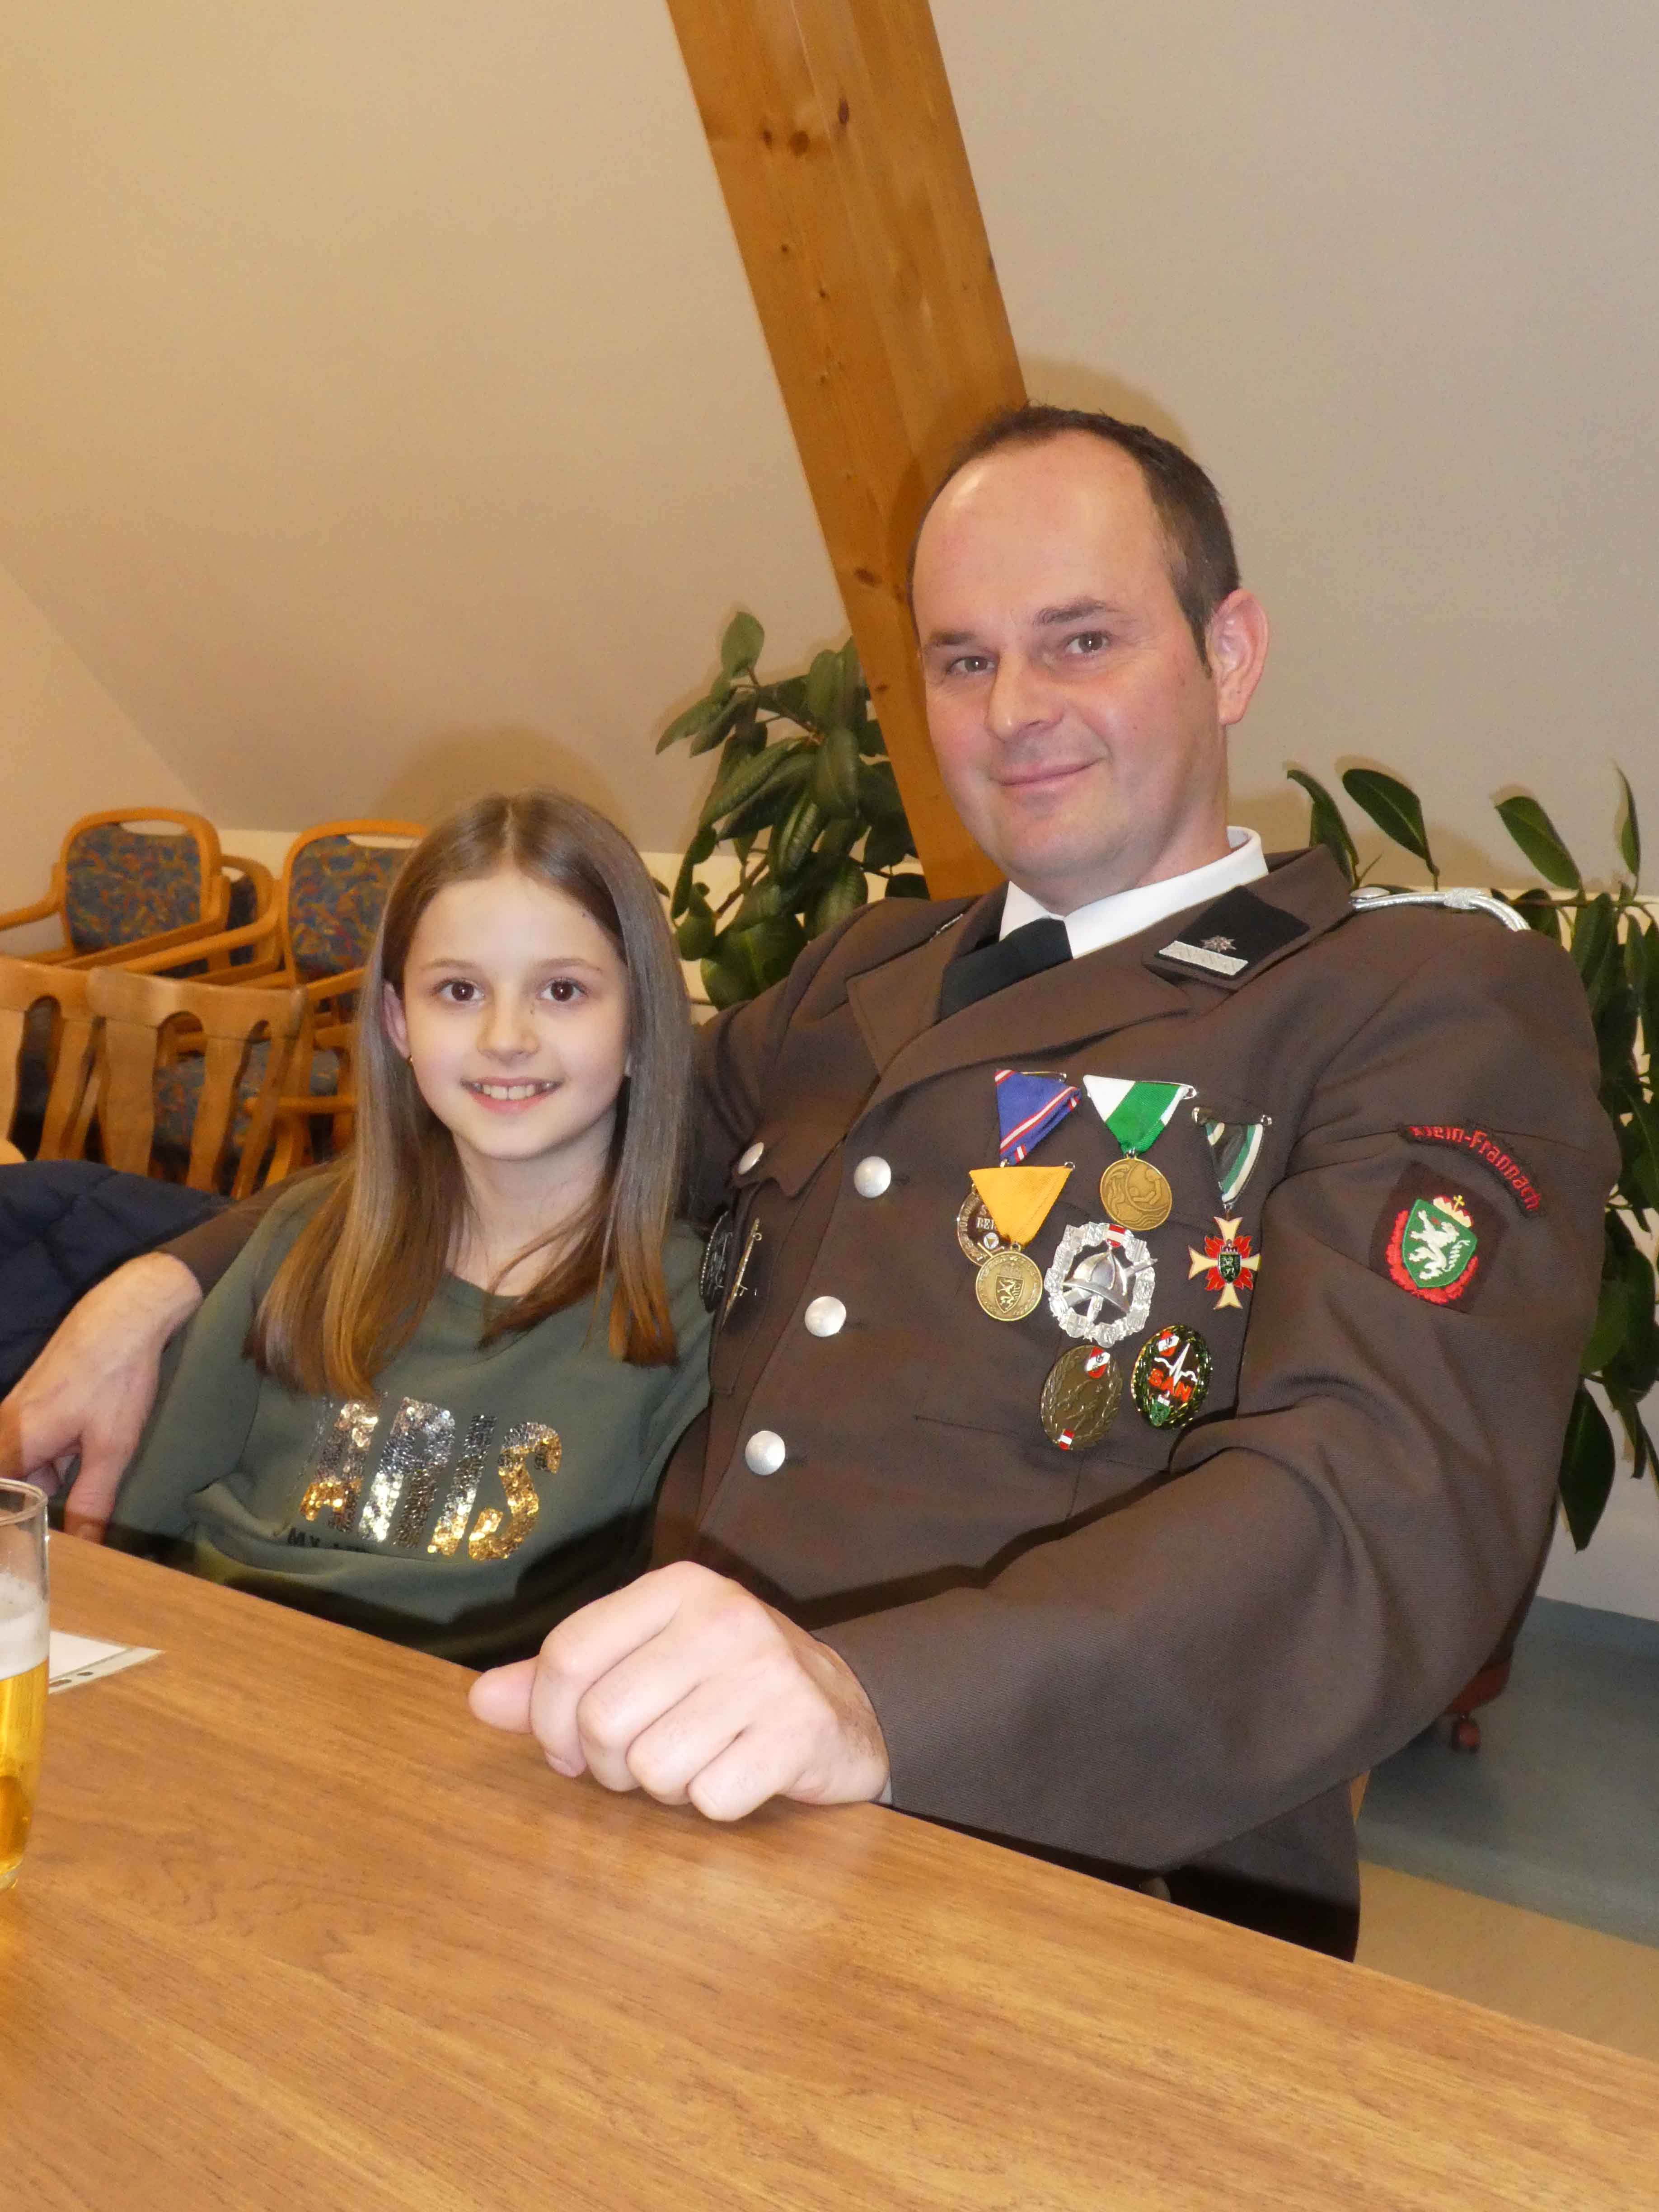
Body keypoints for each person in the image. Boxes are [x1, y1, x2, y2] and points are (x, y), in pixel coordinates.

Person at [1, 408, 1613, 1954]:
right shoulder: (868, 973)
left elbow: (1382, 1499)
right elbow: (548, 1143)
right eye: (964, 659)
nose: (1014, 709)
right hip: (670, 1803)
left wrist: (874, 1702)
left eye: (1081, 640)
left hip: (1075, 1861)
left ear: (1231, 651)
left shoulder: (1409, 1002)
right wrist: (168, 1278)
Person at [100, 790, 711, 1664]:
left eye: (563, 990)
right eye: (459, 991)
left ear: (642, 1025)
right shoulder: (305, 1239)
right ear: (398, 1023)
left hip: (448, 1724)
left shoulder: (687, 1314)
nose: (506, 1037)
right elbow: (133, 1541)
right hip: (208, 1666)